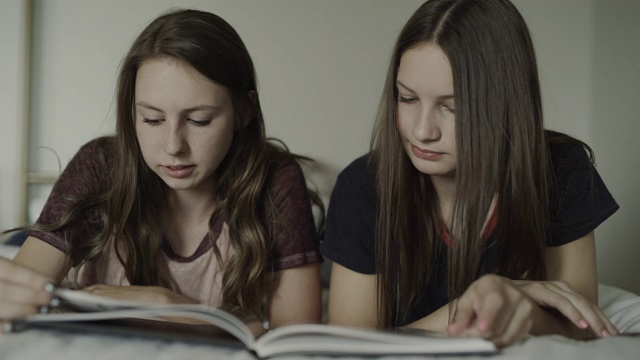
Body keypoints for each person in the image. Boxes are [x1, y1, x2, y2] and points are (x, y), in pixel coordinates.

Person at [320, 0, 620, 347]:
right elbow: (349, 347)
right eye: (407, 98)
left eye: (453, 107)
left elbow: (583, 327)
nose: (422, 131)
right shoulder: (362, 188)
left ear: (506, 104)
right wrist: (468, 306)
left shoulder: (561, 170)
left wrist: (515, 304)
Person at [0, 9, 322, 329]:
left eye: (199, 120)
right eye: (152, 119)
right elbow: (18, 297)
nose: (173, 146)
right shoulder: (100, 165)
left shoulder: (276, 180)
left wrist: (164, 303)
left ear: (244, 112)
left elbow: (294, 344)